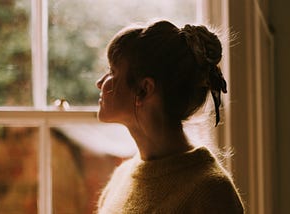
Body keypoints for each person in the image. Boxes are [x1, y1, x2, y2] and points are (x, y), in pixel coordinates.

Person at [95, 20, 244, 213]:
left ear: (144, 89)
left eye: (112, 72)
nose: (100, 83)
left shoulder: (210, 192)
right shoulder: (121, 178)